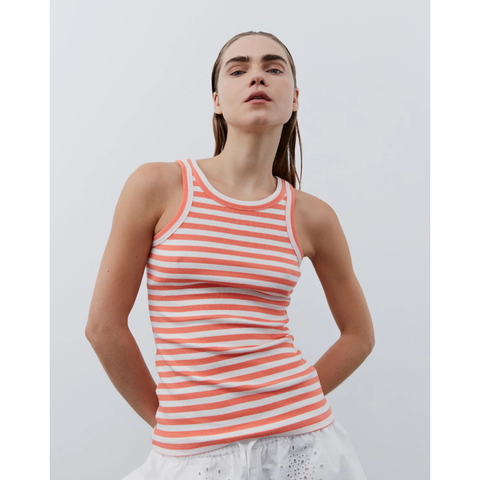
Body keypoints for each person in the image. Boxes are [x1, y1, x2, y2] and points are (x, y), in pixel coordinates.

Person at [86, 30, 375, 480]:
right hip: (191, 452)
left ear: (295, 98)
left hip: (301, 442)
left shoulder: (310, 216)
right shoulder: (159, 186)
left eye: (273, 68)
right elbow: (103, 327)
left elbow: (359, 335)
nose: (257, 76)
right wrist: (171, 421)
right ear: (217, 100)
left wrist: (290, 398)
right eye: (238, 70)